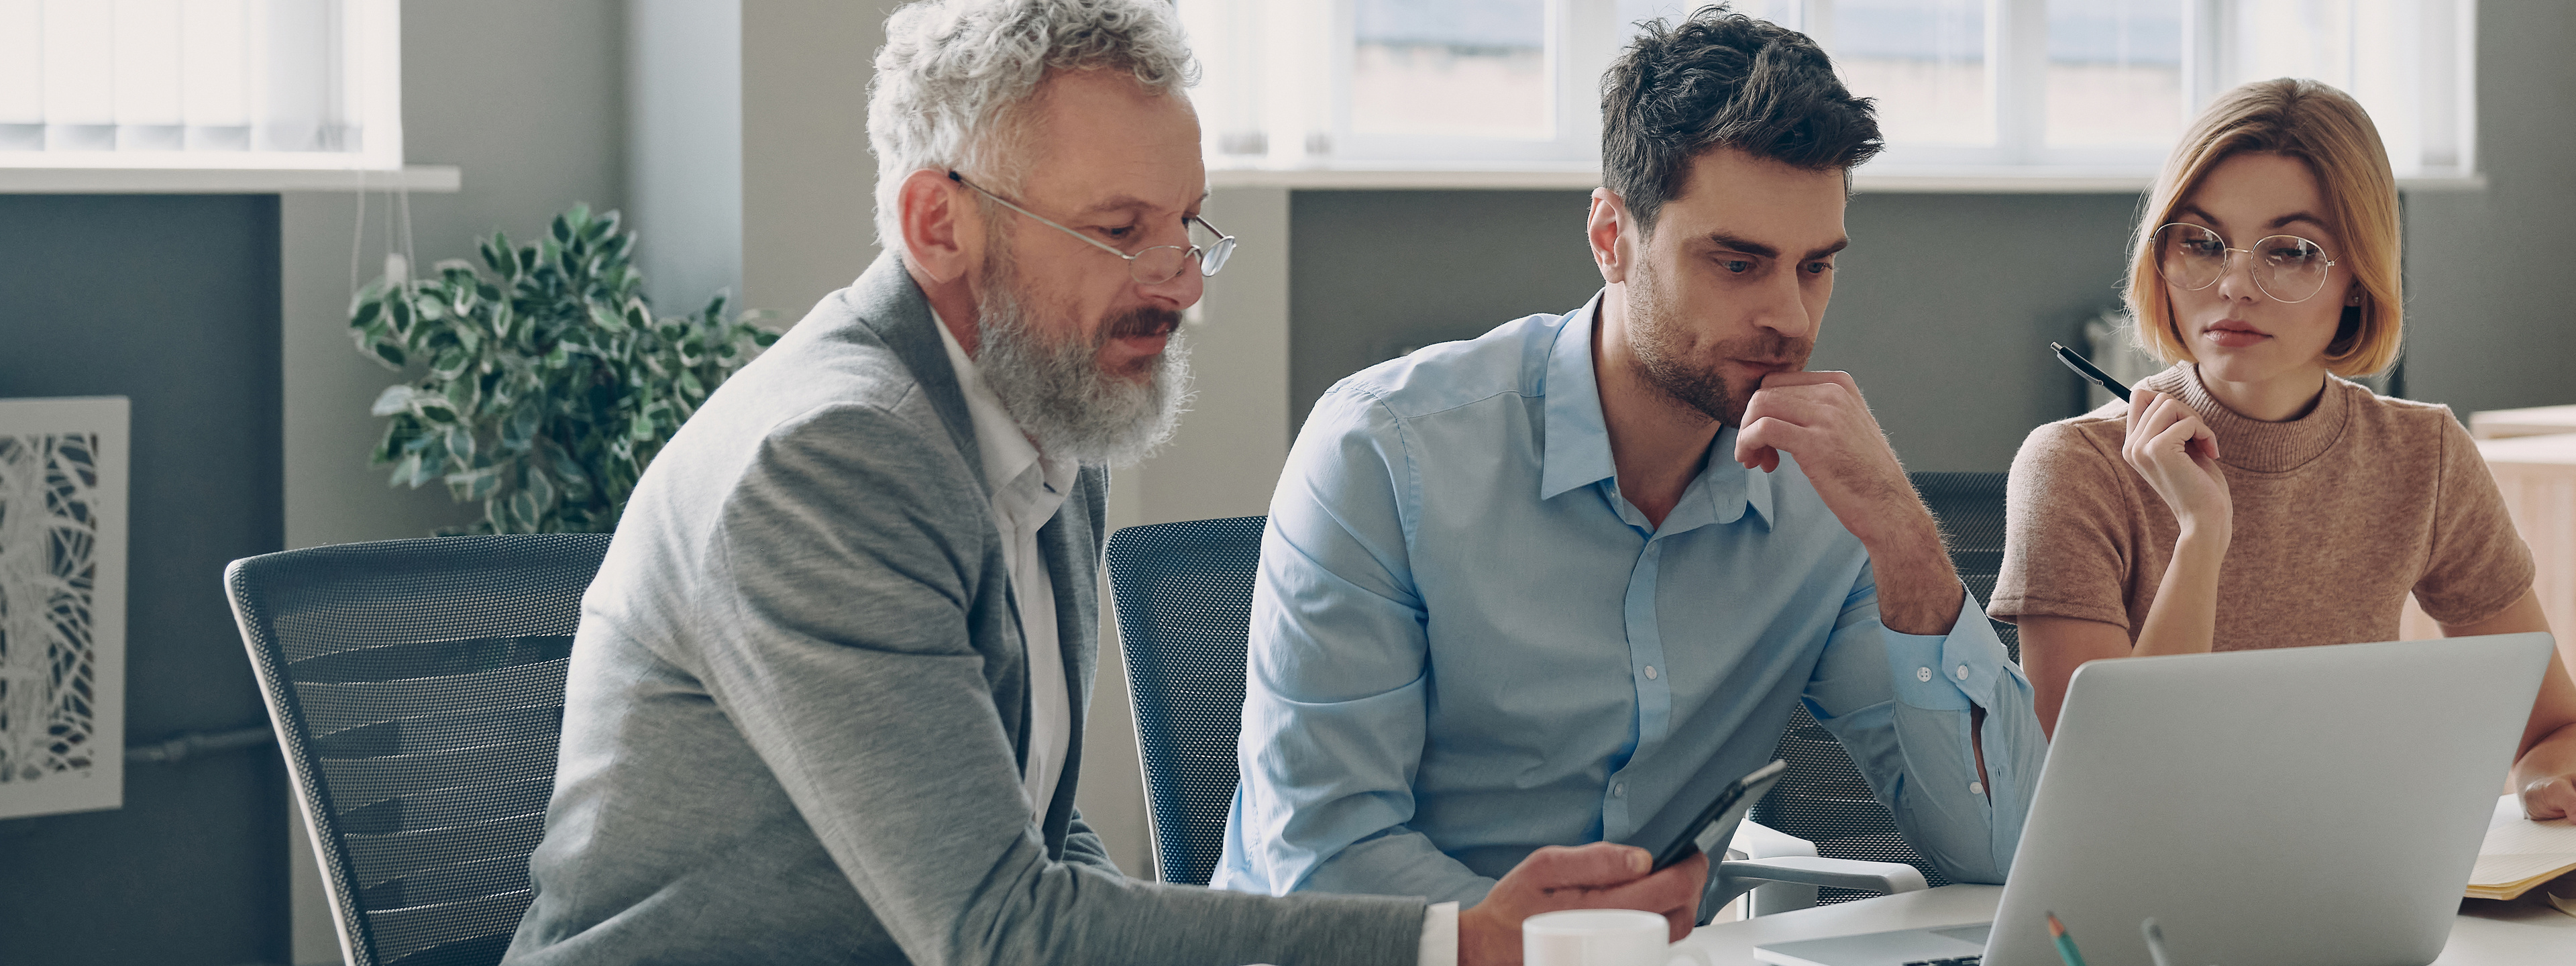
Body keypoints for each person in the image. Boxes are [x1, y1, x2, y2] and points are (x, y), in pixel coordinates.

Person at [502, 1, 1703, 963]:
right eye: (1122, 229)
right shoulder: (832, 460)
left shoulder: (1043, 415)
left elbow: (1036, 838)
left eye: (1187, 224)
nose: (1180, 282)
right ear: (938, 223)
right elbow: (998, 931)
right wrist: (1453, 945)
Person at [1212, 6, 2045, 922]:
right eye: (1737, 263)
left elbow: (2004, 850)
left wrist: (1906, 542)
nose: (1791, 319)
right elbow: (1324, 864)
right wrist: (1592, 945)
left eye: (1816, 267)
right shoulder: (1384, 453)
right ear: (1612, 237)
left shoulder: (1825, 498)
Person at [1988, 78, 2576, 820]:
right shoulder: (2073, 466)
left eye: (2292, 251)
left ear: (2358, 280)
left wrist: (2543, 786)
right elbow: (2104, 790)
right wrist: (2202, 538)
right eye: (2202, 243)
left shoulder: (2422, 456)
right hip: (2136, 911)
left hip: (2352, 888)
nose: (2235, 283)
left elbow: (2556, 728)